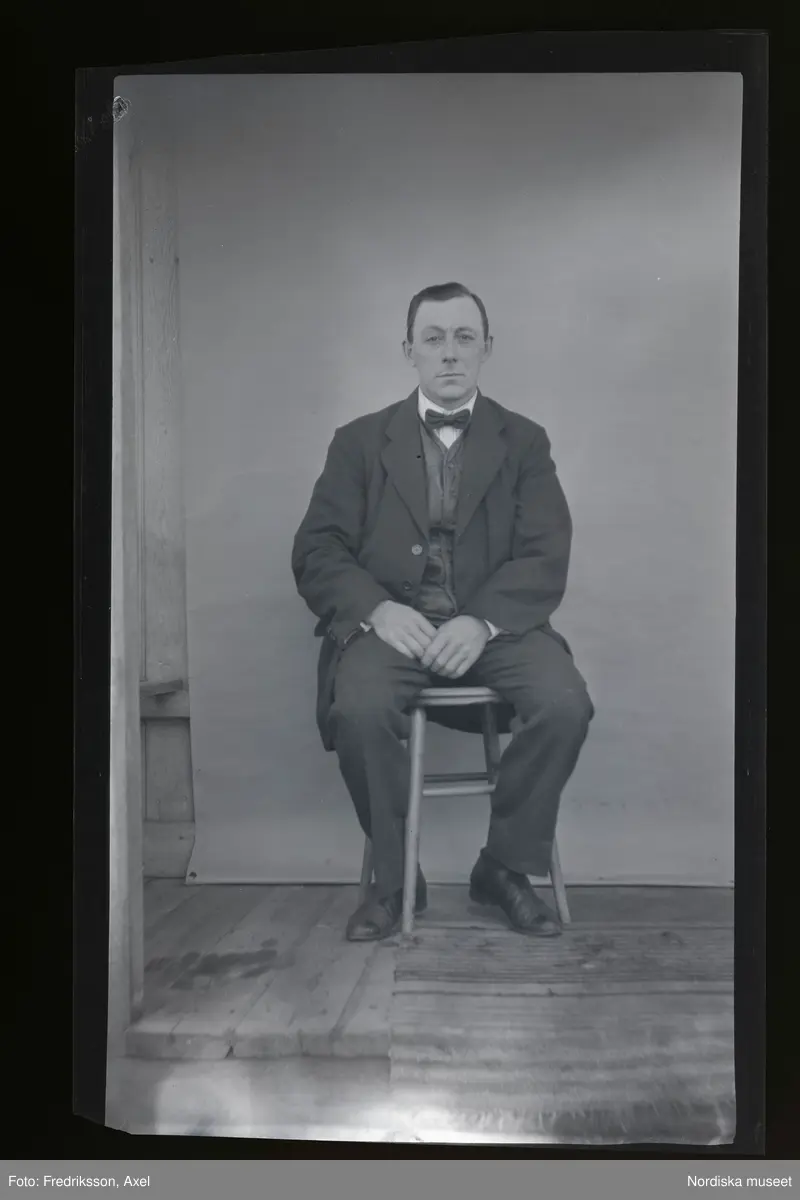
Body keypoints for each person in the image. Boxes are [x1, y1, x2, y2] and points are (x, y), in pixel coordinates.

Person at [292, 282, 594, 941]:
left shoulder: (526, 442)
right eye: (434, 339)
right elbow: (317, 550)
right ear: (410, 351)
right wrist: (378, 610)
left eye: (464, 338)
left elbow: (546, 552)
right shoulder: (357, 442)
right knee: (359, 707)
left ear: (486, 348)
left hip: (494, 631)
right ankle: (397, 880)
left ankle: (504, 869)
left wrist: (480, 622)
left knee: (565, 703)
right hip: (391, 633)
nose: (450, 353)